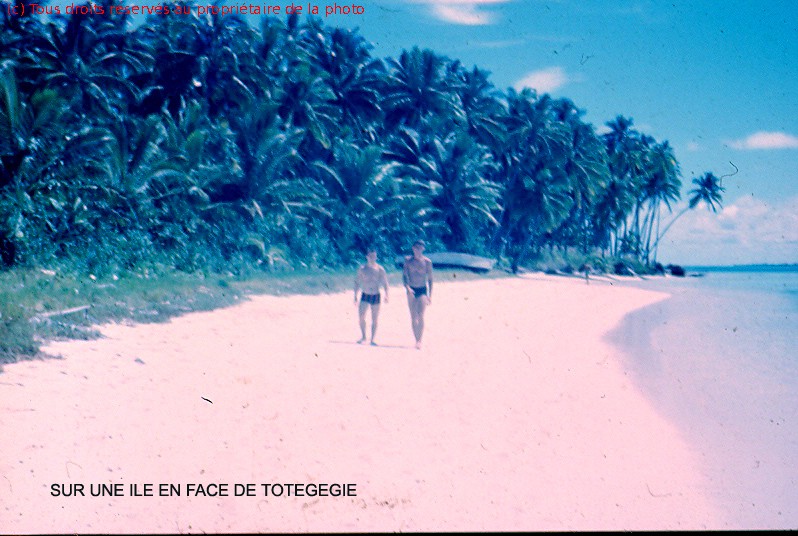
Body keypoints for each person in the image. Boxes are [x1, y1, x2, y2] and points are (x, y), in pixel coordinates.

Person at [354, 248, 389, 345]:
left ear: (376, 257)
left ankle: (373, 339)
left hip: (375, 295)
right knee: (361, 316)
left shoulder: (380, 269)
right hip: (365, 294)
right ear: (367, 257)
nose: (372, 258)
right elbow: (357, 282)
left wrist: (386, 295)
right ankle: (364, 336)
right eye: (370, 256)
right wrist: (355, 296)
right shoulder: (362, 269)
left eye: (374, 256)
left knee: (375, 318)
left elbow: (385, 283)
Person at [402, 239, 433, 349]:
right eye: (416, 248)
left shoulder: (427, 262)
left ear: (423, 249)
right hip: (411, 289)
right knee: (413, 315)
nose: (418, 250)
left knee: (421, 315)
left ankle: (420, 340)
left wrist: (430, 295)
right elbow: (404, 276)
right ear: (413, 248)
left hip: (422, 289)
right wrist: (407, 287)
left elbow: (430, 279)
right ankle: (416, 339)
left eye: (420, 248)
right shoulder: (408, 261)